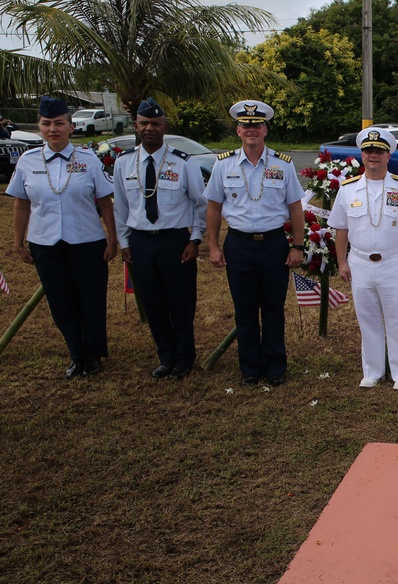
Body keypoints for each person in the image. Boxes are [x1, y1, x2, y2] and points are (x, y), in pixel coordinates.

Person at [6, 95, 118, 378]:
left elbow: (105, 201)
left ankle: (93, 355)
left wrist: (112, 239)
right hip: (45, 243)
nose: (52, 129)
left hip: (86, 242)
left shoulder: (89, 160)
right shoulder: (28, 160)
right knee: (60, 302)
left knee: (91, 300)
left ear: (71, 127)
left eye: (59, 123)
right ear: (39, 128)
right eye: (46, 124)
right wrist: (18, 242)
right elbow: (21, 203)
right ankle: (76, 354)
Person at [204, 100, 305, 387]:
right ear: (238, 131)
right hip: (238, 244)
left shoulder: (282, 165)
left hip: (273, 244)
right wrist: (213, 246)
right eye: (246, 126)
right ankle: (249, 367)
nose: (252, 130)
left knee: (273, 309)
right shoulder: (223, 164)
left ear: (265, 130)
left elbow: (295, 207)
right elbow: (213, 207)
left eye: (257, 125)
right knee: (245, 310)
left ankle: (275, 366)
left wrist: (297, 246)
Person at [112, 98, 207, 380]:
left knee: (180, 302)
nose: (150, 128)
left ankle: (184, 357)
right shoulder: (123, 162)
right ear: (136, 127)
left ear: (165, 126)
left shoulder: (183, 163)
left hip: (175, 241)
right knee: (152, 303)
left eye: (155, 123)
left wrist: (196, 239)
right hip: (140, 243)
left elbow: (200, 204)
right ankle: (166, 357)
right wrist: (125, 242)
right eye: (144, 123)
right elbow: (121, 206)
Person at [331, 128, 398, 391]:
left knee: (397, 318)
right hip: (360, 262)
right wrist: (342, 262)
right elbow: (341, 230)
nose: (373, 156)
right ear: (362, 156)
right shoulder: (348, 189)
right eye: (368, 152)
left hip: (394, 261)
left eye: (379, 152)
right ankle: (373, 371)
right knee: (368, 318)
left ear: (388, 156)